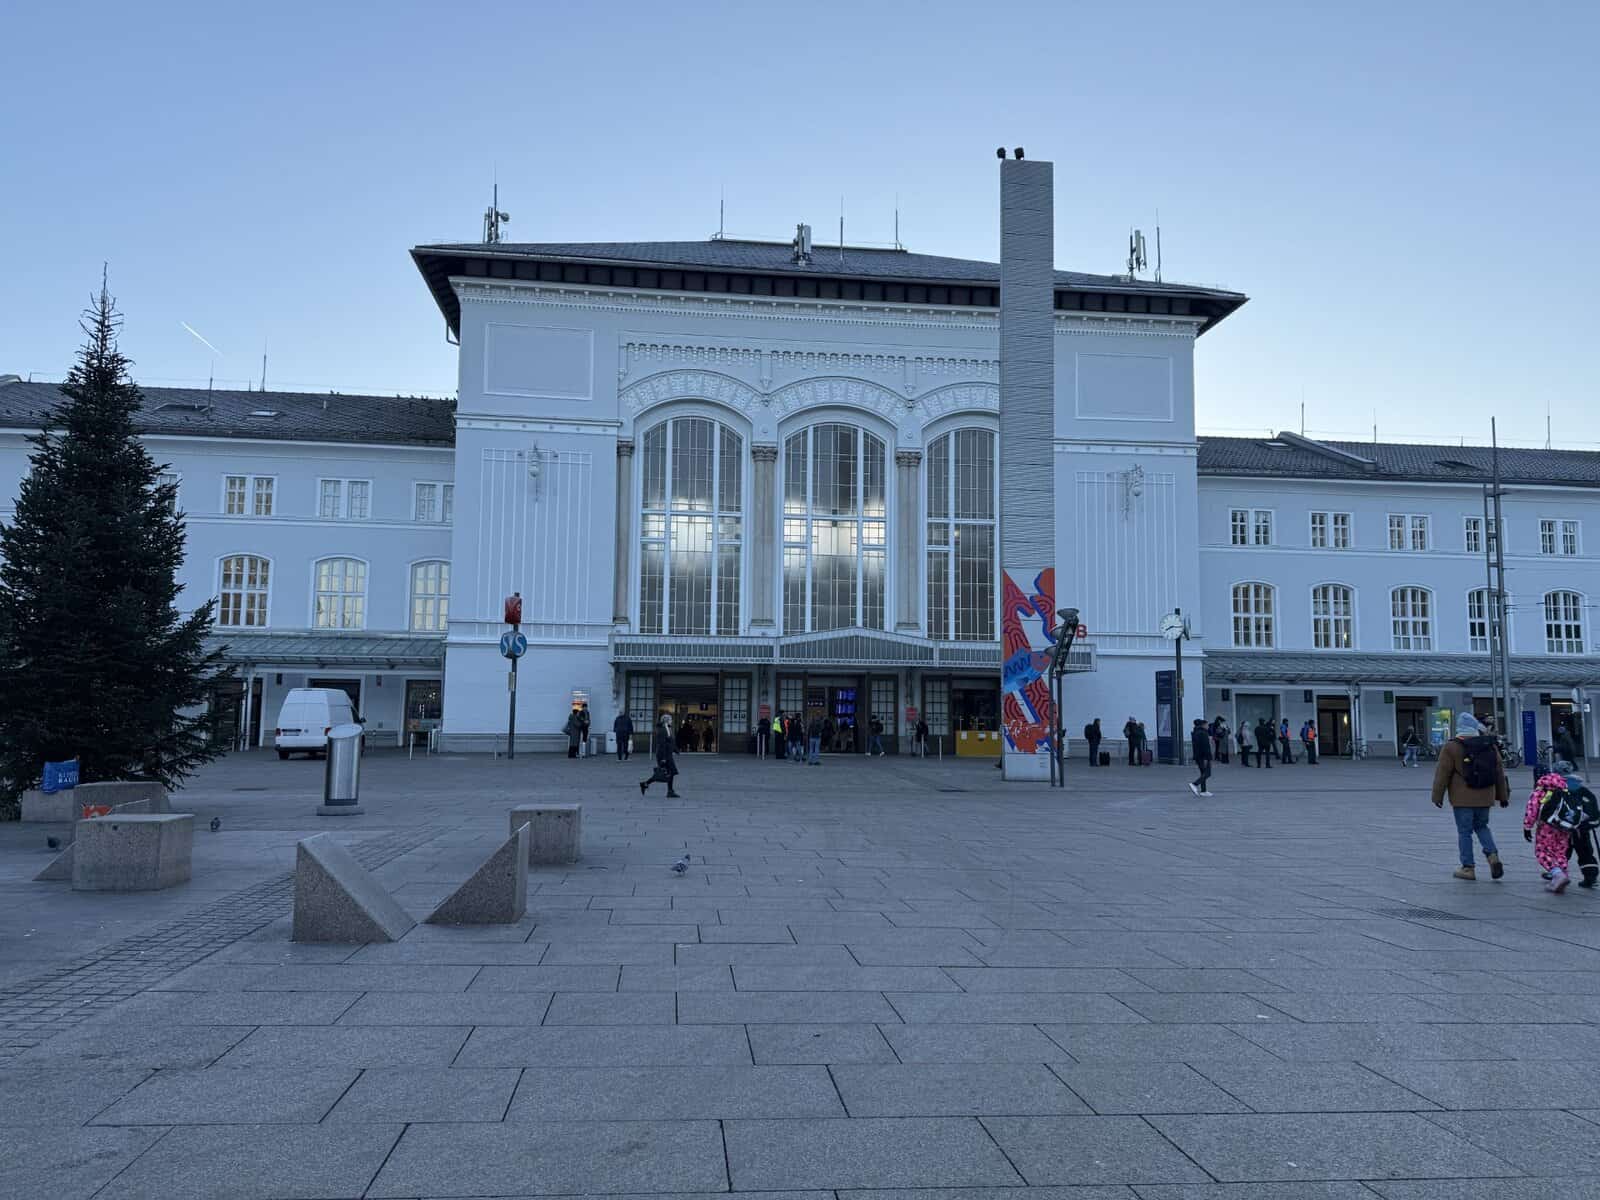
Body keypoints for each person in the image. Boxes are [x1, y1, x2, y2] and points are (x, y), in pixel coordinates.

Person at [1430, 712, 1509, 880]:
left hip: (1462, 797)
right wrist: (1503, 796)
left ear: (1458, 728)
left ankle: (1468, 868)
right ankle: (1492, 856)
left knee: (1464, 832)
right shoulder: (1490, 745)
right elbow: (1499, 773)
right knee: (1482, 827)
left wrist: (1437, 796)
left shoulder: (1452, 746)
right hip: (1485, 795)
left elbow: (1442, 773)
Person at [640, 714, 680, 798]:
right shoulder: (662, 730)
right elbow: (662, 744)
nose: (671, 721)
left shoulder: (668, 728)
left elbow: (670, 741)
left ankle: (646, 784)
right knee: (665, 773)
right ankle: (669, 791)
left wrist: (676, 750)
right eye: (670, 719)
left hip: (667, 754)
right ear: (666, 720)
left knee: (669, 772)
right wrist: (664, 758)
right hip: (663, 755)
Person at [1189, 717, 1214, 796]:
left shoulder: (1196, 732)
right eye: (1207, 725)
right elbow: (1206, 746)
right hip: (1203, 757)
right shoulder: (1203, 733)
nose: (1208, 727)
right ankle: (1195, 784)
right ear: (1203, 725)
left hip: (1198, 756)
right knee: (1207, 773)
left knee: (1203, 773)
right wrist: (1208, 757)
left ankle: (1204, 791)